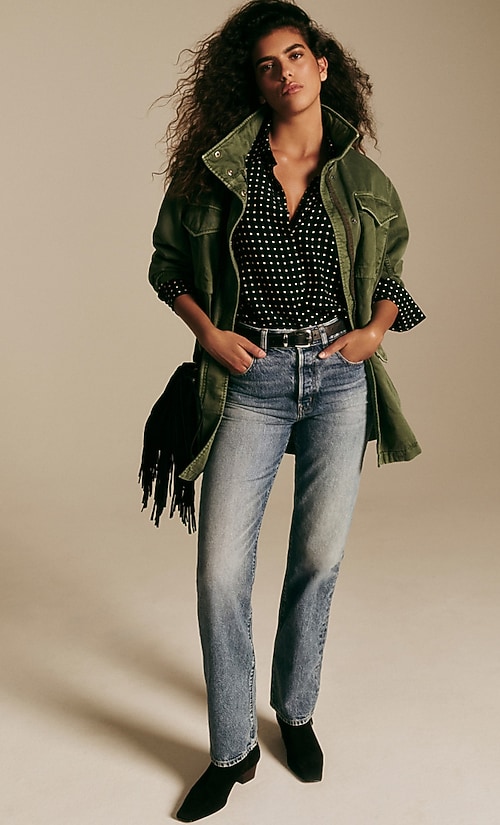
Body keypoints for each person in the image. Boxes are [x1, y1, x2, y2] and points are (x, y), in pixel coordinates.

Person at [147, 1, 425, 820]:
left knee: (318, 557)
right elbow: (167, 265)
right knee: (220, 571)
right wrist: (210, 333)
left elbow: (391, 274)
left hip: (338, 377)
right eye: (267, 64)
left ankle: (295, 711)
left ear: (322, 65)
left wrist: (374, 332)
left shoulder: (363, 179)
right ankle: (231, 746)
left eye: (296, 55)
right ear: (256, 83)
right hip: (251, 379)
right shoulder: (219, 171)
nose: (285, 72)